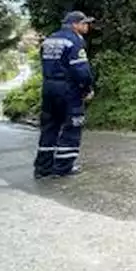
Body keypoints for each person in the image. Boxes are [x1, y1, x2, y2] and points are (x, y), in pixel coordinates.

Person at [34, 11, 95, 179]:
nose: (86, 26)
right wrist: (87, 89)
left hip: (48, 87)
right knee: (71, 126)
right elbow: (81, 70)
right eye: (84, 23)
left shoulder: (49, 39)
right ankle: (63, 167)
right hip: (68, 89)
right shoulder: (74, 41)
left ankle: (43, 167)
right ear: (74, 24)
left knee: (50, 126)